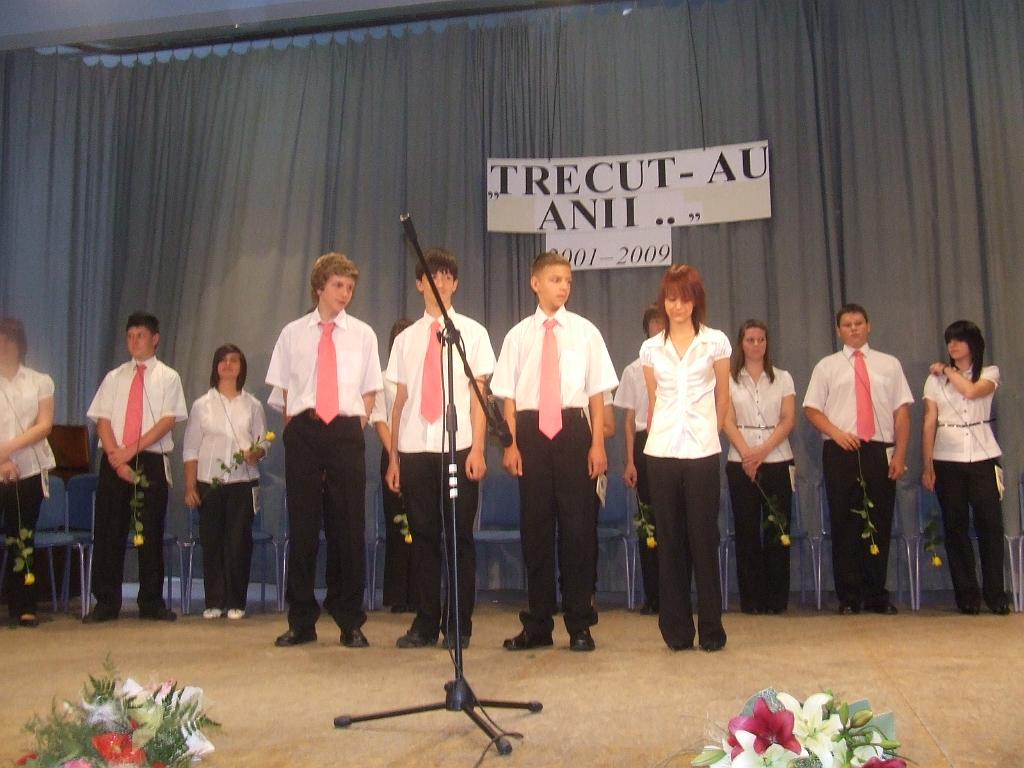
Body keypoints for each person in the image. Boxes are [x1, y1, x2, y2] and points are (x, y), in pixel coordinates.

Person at [491, 250, 617, 652]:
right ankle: (538, 624)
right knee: (536, 531)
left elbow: (596, 394)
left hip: (574, 430)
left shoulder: (585, 332)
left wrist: (597, 444)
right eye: (555, 280)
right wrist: (511, 445)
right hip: (531, 432)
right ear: (535, 283)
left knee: (578, 531)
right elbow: (508, 398)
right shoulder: (518, 336)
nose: (563, 287)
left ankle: (580, 623)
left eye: (568, 281)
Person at [265, 252, 382, 648]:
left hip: (346, 430)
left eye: (350, 287)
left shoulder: (363, 335)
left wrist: (354, 426)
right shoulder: (292, 334)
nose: (345, 293)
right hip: (304, 430)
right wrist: (296, 430)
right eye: (337, 285)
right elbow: (284, 392)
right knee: (303, 526)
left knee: (349, 526)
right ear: (319, 287)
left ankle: (350, 619)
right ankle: (301, 620)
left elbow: (370, 390)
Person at [385, 249, 495, 649]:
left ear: (456, 284)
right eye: (433, 276)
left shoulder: (473, 333)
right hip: (415, 448)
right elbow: (399, 402)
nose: (441, 283)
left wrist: (478, 449)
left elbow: (479, 397)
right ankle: (426, 621)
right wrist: (394, 458)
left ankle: (459, 623)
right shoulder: (405, 340)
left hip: (458, 446)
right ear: (420, 284)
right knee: (423, 537)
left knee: (458, 537)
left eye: (448, 277)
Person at [641, 265, 730, 652]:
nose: (677, 306)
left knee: (703, 539)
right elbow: (654, 400)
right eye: (671, 299)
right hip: (661, 452)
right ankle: (676, 630)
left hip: (702, 452)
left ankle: (711, 629)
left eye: (685, 299)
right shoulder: (650, 349)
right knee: (669, 540)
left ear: (697, 301)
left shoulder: (716, 343)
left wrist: (713, 431)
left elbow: (723, 396)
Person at [803, 303, 912, 615]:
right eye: (847, 324)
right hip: (841, 450)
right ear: (839, 331)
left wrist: (900, 453)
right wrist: (836, 433)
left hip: (879, 449)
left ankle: (876, 593)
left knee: (879, 521)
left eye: (858, 323)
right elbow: (811, 409)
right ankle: (849, 596)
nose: (853, 329)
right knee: (844, 523)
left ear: (869, 326)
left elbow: (902, 411)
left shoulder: (889, 364)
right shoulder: (826, 366)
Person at [84, 312, 187, 623]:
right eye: (130, 336)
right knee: (109, 530)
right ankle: (106, 602)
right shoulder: (114, 376)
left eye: (140, 336)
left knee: (150, 531)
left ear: (155, 339)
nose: (134, 341)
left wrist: (131, 450)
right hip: (114, 459)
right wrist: (116, 456)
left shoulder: (168, 377)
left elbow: (167, 420)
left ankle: (151, 601)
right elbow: (102, 419)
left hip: (150, 458)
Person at [921, 320, 1010, 615]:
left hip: (983, 457)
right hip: (947, 458)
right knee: (955, 526)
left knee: (990, 526)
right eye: (950, 341)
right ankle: (967, 595)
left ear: (973, 344)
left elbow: (972, 392)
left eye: (959, 340)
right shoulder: (934, 381)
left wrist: (948, 371)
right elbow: (929, 421)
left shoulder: (989, 373)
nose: (953, 346)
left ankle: (995, 594)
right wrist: (928, 463)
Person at [183, 344, 268, 621]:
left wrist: (256, 453)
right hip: (210, 482)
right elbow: (191, 448)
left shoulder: (253, 405)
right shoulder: (202, 405)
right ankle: (214, 601)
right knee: (212, 541)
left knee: (238, 542)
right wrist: (190, 486)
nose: (228, 365)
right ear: (216, 366)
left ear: (241, 367)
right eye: (223, 360)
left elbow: (263, 443)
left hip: (243, 481)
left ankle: (236, 601)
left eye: (234, 360)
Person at [721, 320, 796, 615]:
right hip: (740, 461)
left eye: (761, 340)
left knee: (778, 529)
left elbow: (788, 419)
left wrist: (762, 452)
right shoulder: (728, 379)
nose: (756, 345)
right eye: (750, 340)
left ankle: (776, 599)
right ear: (741, 343)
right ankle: (752, 599)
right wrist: (747, 455)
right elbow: (726, 420)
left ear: (767, 343)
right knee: (747, 530)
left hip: (777, 458)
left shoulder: (783, 378)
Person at [0, 318, 56, 628]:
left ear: (20, 344)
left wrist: (8, 449)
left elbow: (44, 425)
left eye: (9, 340)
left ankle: (24, 605)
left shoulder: (39, 381)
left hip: (29, 468)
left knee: (22, 536)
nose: (3, 346)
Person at [613, 304, 664, 614]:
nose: (659, 327)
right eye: (654, 323)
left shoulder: (680, 364)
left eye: (663, 322)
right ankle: (653, 595)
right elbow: (630, 421)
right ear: (647, 328)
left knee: (674, 520)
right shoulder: (633, 370)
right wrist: (630, 461)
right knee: (649, 521)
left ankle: (677, 594)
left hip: (672, 439)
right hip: (645, 440)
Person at [370, 318, 415, 613]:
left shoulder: (426, 376)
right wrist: (395, 454)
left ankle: (421, 592)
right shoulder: (382, 378)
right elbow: (379, 420)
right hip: (393, 456)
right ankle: (399, 594)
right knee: (398, 525)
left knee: (422, 524)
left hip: (422, 454)